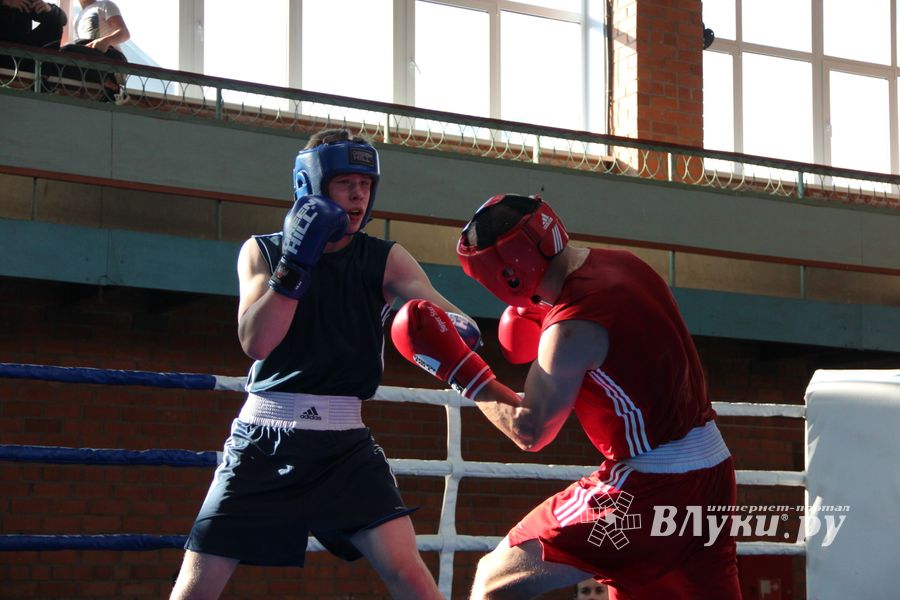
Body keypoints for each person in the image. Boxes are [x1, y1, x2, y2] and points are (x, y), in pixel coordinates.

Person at [168, 129, 476, 600]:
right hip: (264, 440)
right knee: (196, 588)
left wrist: (455, 332)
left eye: (365, 184)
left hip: (344, 446)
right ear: (310, 185)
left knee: (409, 574)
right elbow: (256, 341)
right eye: (344, 183)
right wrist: (296, 263)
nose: (358, 195)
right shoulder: (263, 251)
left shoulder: (385, 257)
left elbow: (456, 323)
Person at [390, 194, 741, 599]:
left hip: (648, 489)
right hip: (714, 472)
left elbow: (531, 430)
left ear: (507, 275)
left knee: (495, 581)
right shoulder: (626, 263)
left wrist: (460, 370)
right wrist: (541, 316)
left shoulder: (571, 327)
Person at [0, 0, 67, 50]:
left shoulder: (22, 3)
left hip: (21, 50)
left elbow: (63, 20)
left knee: (54, 22)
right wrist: (5, 2)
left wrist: (50, 9)